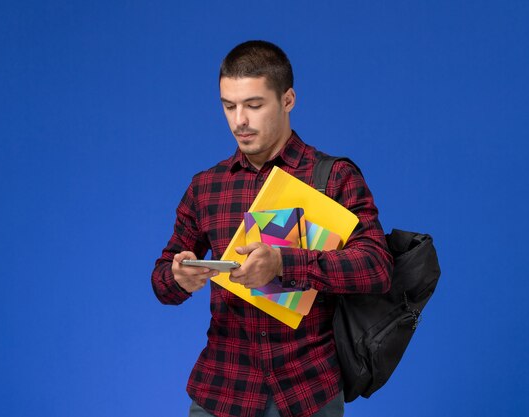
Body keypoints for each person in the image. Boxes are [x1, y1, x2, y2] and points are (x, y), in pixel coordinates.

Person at [151, 40, 393, 417]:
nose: (239, 121)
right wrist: (178, 276)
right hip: (222, 392)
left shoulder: (334, 178)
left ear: (288, 100)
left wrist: (283, 264)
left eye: (254, 105)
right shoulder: (206, 186)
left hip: (309, 392)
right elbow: (162, 281)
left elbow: (377, 268)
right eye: (228, 106)